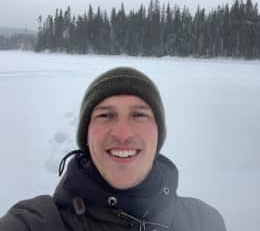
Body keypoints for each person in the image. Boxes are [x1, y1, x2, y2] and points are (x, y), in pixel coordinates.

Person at [0, 67, 226, 231]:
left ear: (159, 134)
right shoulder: (33, 223)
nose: (122, 133)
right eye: (105, 115)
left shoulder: (202, 221)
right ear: (86, 136)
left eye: (139, 115)